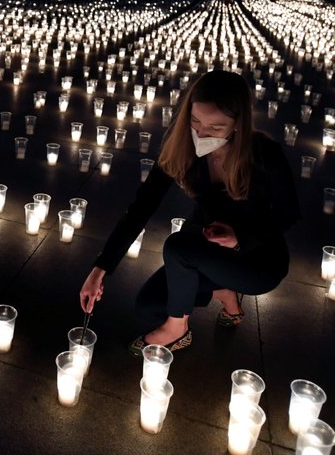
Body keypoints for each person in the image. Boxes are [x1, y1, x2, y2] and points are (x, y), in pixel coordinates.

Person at [79, 70, 300, 355]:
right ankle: (222, 290)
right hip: (207, 254)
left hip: (256, 260)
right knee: (148, 307)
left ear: (238, 125)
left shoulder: (263, 154)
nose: (201, 134)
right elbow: (141, 207)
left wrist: (240, 237)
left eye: (216, 127)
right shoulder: (182, 147)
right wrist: (100, 269)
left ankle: (177, 328)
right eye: (195, 121)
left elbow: (289, 213)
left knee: (178, 246)